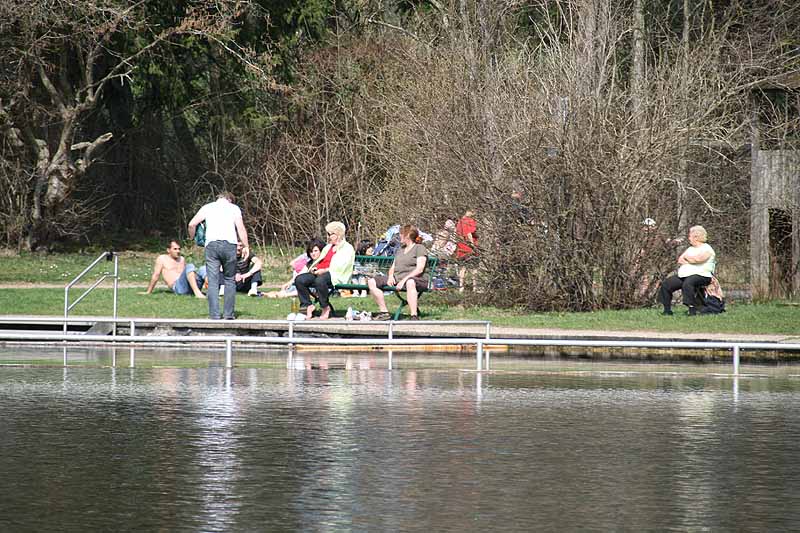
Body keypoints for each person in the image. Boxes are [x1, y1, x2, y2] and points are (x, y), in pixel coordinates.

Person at [188, 191, 250, 320]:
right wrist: (246, 246)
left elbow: (191, 224)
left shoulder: (207, 207)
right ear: (230, 200)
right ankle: (228, 314)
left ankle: (214, 315)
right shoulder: (234, 209)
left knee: (213, 281)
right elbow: (241, 228)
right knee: (229, 280)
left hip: (211, 245)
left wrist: (192, 237)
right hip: (229, 245)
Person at [295, 221, 355, 320]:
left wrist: (325, 270)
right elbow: (320, 260)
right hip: (320, 272)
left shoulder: (347, 248)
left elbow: (342, 267)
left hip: (334, 274)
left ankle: (325, 306)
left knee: (320, 280)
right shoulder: (328, 247)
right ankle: (307, 305)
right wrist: (315, 268)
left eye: (330, 234)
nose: (328, 237)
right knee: (300, 279)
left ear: (338, 234)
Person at [368, 224, 429, 321]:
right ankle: (384, 312)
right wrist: (391, 276)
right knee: (372, 281)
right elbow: (393, 266)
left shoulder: (419, 248)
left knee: (410, 282)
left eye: (401, 234)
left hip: (417, 280)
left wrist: (404, 280)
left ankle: (414, 315)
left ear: (407, 235)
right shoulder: (400, 250)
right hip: (397, 278)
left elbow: (419, 269)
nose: (399, 236)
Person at [657, 225, 716, 316]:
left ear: (696, 237)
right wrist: (691, 260)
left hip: (703, 275)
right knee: (667, 284)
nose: (689, 238)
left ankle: (692, 309)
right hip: (685, 275)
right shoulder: (690, 249)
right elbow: (680, 260)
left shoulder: (707, 248)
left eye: (690, 236)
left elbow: (698, 259)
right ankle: (667, 310)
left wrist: (688, 258)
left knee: (688, 283)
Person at [142, 240, 207, 298]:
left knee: (203, 268)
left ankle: (212, 290)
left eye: (179, 249)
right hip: (178, 288)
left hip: (188, 287)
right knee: (190, 265)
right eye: (175, 249)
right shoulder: (162, 259)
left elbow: (188, 275)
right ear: (168, 250)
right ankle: (197, 293)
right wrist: (148, 291)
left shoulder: (182, 259)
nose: (178, 251)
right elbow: (156, 275)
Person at [456, 209, 478, 292]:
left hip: (461, 248)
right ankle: (475, 287)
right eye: (473, 211)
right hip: (469, 249)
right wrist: (473, 245)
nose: (474, 213)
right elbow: (469, 233)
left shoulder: (459, 222)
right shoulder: (470, 221)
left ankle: (461, 287)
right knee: (474, 268)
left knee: (462, 268)